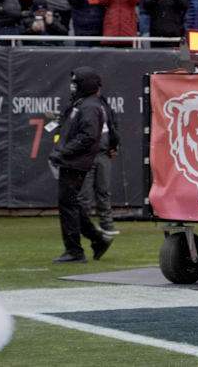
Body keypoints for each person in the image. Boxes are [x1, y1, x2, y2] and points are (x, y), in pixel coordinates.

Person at [49, 67, 114, 264]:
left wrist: (63, 151)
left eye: (76, 83)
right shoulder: (84, 103)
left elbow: (88, 136)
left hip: (75, 161)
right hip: (72, 159)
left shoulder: (89, 106)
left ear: (86, 85)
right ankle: (97, 239)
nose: (72, 86)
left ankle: (75, 251)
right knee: (72, 204)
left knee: (68, 204)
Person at [77, 95, 121, 234]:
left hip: (103, 153)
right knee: (84, 194)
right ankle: (83, 226)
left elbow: (113, 125)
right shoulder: (79, 104)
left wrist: (115, 144)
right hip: (86, 155)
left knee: (104, 191)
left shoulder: (104, 104)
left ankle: (106, 224)